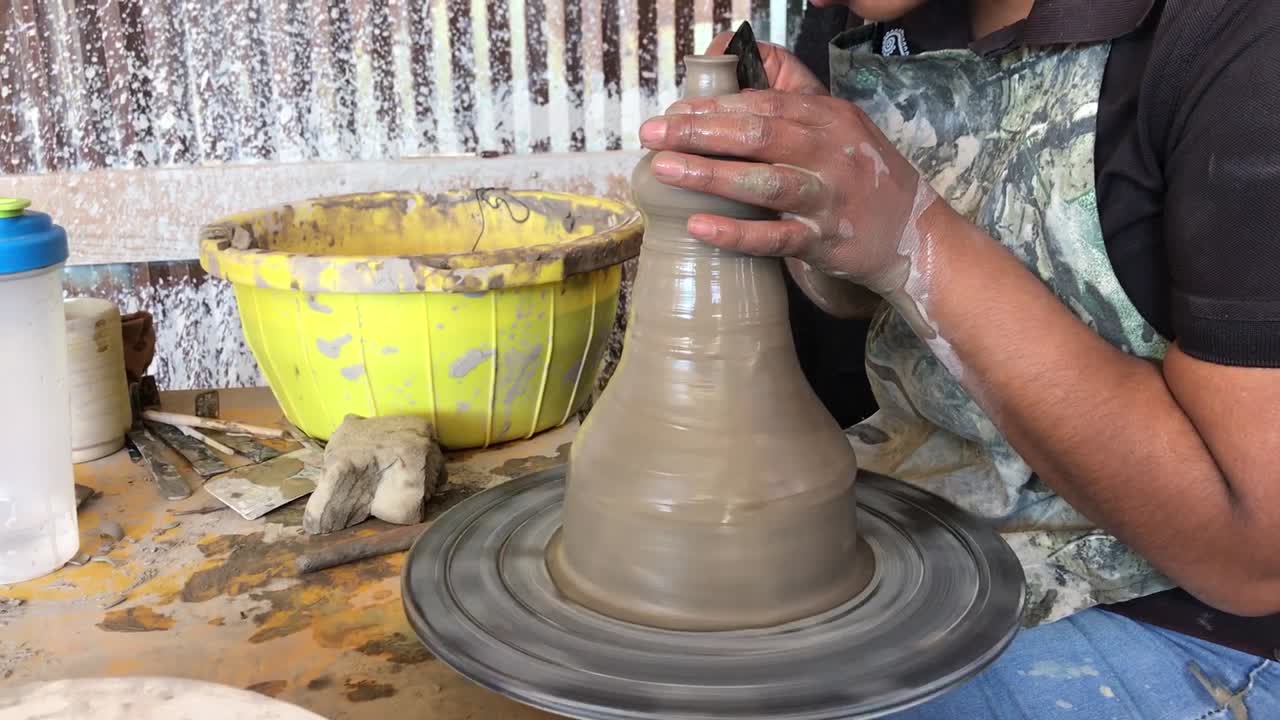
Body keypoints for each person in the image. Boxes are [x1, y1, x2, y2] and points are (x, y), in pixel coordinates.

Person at [637, 0, 1280, 716]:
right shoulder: (869, 16)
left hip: (1192, 621)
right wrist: (819, 199)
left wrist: (913, 235)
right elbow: (885, 314)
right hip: (941, 531)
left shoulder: (1243, 37)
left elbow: (1253, 554)